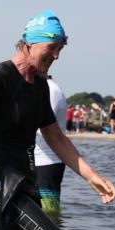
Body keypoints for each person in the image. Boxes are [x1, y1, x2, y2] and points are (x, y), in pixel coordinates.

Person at [0, 11, 115, 230]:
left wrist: (93, 178)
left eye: (60, 49)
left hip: (24, 181)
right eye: (52, 48)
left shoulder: (40, 85)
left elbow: (56, 138)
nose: (56, 56)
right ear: (30, 44)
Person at [34, 75, 68, 214]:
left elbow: (46, 129)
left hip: (47, 162)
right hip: (36, 160)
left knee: (49, 214)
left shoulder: (50, 89)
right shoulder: (38, 88)